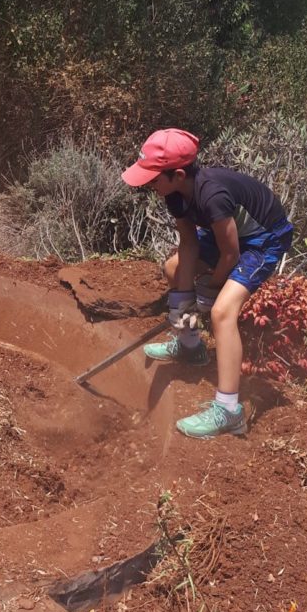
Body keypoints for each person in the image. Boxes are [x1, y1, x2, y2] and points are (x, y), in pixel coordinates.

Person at [121, 128, 294, 439]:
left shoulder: (212, 196)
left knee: (222, 313)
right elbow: (188, 245)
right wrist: (183, 302)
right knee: (174, 268)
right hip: (231, 237)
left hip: (263, 240)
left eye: (153, 177)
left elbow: (230, 254)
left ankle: (229, 411)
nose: (148, 184)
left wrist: (208, 292)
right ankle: (189, 346)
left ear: (177, 174)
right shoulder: (174, 195)